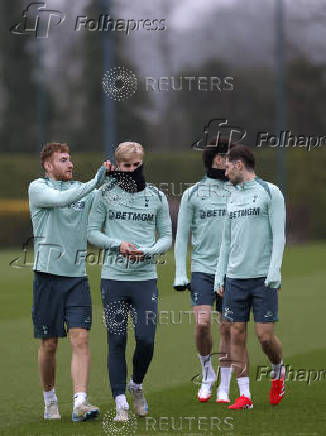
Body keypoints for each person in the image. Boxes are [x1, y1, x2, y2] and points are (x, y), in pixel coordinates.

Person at [88, 142, 172, 422]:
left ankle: (136, 385)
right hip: (114, 279)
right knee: (116, 339)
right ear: (118, 166)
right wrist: (117, 244)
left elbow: (166, 238)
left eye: (137, 165)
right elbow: (92, 233)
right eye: (127, 166)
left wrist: (146, 252)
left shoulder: (157, 196)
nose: (133, 170)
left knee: (146, 340)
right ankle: (120, 401)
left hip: (145, 279)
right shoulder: (104, 195)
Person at [28, 142, 110, 421]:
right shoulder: (38, 187)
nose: (70, 164)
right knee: (49, 344)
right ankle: (50, 400)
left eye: (70, 159)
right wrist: (93, 182)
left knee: (81, 339)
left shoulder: (81, 192)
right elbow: (63, 199)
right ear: (48, 166)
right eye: (63, 160)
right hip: (48, 277)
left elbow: (101, 198)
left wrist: (117, 175)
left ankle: (80, 402)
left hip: (77, 278)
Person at [174, 138, 248, 403]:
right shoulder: (193, 193)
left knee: (227, 328)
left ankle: (225, 388)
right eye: (225, 157)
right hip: (203, 270)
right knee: (202, 324)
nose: (230, 161)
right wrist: (180, 273)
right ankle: (207, 374)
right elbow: (181, 237)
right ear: (215, 160)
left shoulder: (240, 190)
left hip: (232, 270)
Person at [215, 144, 286, 409]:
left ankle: (278, 369)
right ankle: (244, 395)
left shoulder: (271, 192)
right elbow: (226, 240)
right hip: (234, 278)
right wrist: (219, 276)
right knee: (236, 333)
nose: (225, 174)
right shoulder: (231, 196)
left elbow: (279, 235)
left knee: (266, 337)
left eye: (227, 169)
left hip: (263, 278)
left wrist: (275, 270)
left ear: (239, 165)